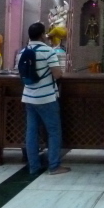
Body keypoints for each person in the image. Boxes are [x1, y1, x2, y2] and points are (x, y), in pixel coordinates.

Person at [18, 22, 70, 176]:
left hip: (28, 97)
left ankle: (34, 166)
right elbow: (57, 74)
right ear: (42, 35)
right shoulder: (48, 51)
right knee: (53, 131)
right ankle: (54, 166)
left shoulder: (22, 51)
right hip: (46, 97)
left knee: (31, 132)